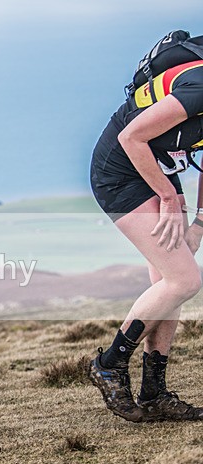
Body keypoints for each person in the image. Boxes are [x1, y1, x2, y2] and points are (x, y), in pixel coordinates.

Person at [89, 53, 203, 422]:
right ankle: (109, 364)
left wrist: (199, 223)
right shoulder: (200, 87)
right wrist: (168, 197)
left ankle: (154, 393)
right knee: (184, 280)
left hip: (157, 167)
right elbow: (131, 136)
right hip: (119, 173)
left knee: (168, 281)